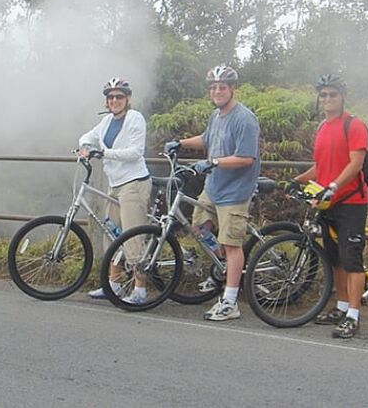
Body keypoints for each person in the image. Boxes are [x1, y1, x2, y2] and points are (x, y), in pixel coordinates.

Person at [166, 65, 260, 321]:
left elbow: (246, 158)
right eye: (214, 88)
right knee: (200, 228)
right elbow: (207, 139)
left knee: (231, 244)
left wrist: (215, 162)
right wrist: (181, 143)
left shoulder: (244, 119)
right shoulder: (216, 116)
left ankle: (230, 301)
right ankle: (222, 271)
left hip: (235, 192)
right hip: (213, 188)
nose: (218, 91)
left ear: (232, 89)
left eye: (223, 87)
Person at [293, 74, 368, 339]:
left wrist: (334, 185)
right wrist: (298, 180)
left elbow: (355, 164)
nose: (327, 99)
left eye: (332, 95)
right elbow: (321, 165)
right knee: (335, 258)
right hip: (327, 202)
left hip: (351, 202)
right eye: (323, 95)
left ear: (342, 96)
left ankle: (354, 316)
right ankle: (341, 306)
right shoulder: (322, 127)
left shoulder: (354, 125)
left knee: (352, 260)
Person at [78, 77, 152, 304]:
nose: (115, 100)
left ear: (127, 99)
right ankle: (114, 284)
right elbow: (88, 136)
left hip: (134, 183)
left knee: (132, 236)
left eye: (119, 96)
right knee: (111, 233)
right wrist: (85, 146)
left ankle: (140, 289)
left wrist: (104, 154)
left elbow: (136, 152)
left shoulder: (135, 118)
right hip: (115, 184)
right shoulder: (107, 122)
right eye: (110, 97)